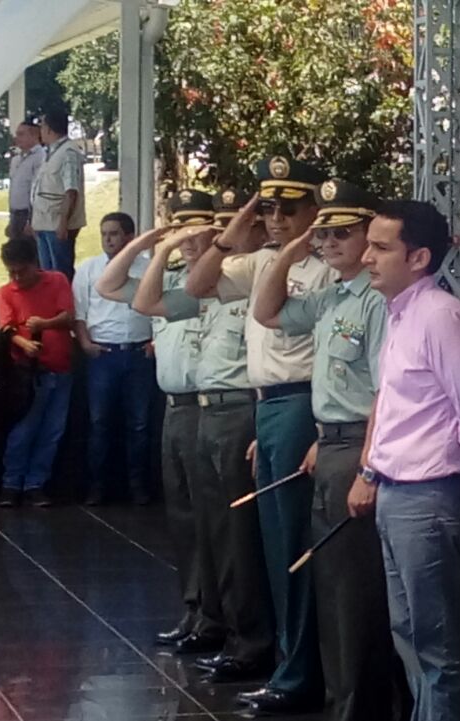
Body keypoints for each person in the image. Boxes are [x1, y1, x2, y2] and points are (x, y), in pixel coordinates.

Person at [186, 157, 333, 704]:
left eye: (286, 208)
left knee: (293, 543)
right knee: (272, 547)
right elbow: (200, 282)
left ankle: (299, 673)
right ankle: (283, 661)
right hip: (266, 405)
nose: (274, 218)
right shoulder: (261, 258)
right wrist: (239, 224)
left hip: (300, 404)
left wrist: (317, 426)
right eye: (267, 207)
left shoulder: (321, 267)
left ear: (314, 212)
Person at [252, 179, 394, 720]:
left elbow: (386, 390)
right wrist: (295, 247)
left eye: (343, 232)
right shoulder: (331, 296)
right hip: (329, 440)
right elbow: (268, 311)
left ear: (369, 235)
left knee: (352, 591)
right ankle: (340, 700)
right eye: (325, 232)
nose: (330, 242)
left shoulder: (377, 302)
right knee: (330, 584)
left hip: (359, 443)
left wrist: (369, 464)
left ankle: (358, 705)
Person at [358, 200, 460, 721]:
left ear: (418, 258)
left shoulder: (440, 315)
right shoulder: (399, 312)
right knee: (409, 634)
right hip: (397, 490)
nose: (367, 256)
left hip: (432, 492)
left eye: (380, 247)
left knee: (437, 645)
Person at [142, 188, 276, 681]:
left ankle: (246, 637)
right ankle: (214, 620)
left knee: (237, 535)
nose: (221, 236)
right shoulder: (215, 285)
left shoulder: (258, 274)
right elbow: (141, 298)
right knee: (204, 528)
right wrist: (158, 249)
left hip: (239, 410)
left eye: (230, 226)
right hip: (201, 410)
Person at [95, 189, 225, 651]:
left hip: (206, 404)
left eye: (198, 230)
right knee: (183, 518)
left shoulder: (220, 282)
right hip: (173, 406)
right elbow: (107, 286)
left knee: (211, 520)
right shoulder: (163, 277)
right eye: (182, 229)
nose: (190, 240)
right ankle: (194, 608)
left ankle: (215, 613)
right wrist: (151, 243)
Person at [73, 212, 155, 506]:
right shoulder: (89, 269)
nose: (108, 239)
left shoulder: (148, 268)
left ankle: (138, 486)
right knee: (99, 422)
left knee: (140, 424)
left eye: (114, 233)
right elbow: (79, 312)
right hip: (103, 354)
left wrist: (155, 341)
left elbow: (162, 308)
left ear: (130, 237)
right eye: (104, 233)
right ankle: (96, 487)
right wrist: (85, 343)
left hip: (138, 353)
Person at [0, 237, 76, 508]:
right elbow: (5, 327)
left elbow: (68, 316)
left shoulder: (56, 281)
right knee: (23, 430)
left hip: (60, 367)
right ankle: (11, 483)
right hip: (28, 374)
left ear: (34, 264)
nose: (17, 277)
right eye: (12, 272)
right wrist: (23, 342)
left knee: (52, 431)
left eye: (22, 271)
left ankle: (35, 483)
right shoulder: (6, 292)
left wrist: (45, 323)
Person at [30, 108, 87, 278]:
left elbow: (71, 190)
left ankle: (64, 304)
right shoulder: (51, 151)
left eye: (42, 127)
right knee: (47, 273)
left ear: (48, 129)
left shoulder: (68, 152)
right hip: (43, 222)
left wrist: (63, 222)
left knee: (60, 273)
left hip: (57, 224)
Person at [7, 120, 44, 241]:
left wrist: (31, 220)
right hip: (15, 214)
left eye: (21, 134)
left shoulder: (40, 157)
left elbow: (38, 189)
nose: (17, 138)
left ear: (34, 135)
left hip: (28, 214)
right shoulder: (16, 160)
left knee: (29, 252)